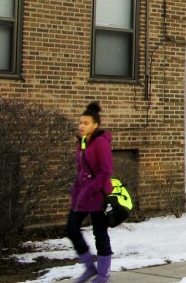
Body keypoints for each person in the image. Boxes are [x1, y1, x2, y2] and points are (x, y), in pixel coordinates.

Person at [66, 102, 114, 283]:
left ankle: (103, 275)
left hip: (98, 195)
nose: (81, 126)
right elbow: (81, 171)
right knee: (71, 229)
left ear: (95, 125)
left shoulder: (101, 142)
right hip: (82, 197)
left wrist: (91, 189)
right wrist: (77, 191)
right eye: (81, 122)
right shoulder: (82, 142)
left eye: (86, 123)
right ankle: (88, 268)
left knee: (100, 233)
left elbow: (106, 171)